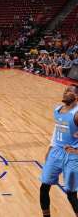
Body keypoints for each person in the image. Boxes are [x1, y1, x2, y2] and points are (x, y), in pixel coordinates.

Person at [40, 85, 78, 217]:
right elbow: (57, 128)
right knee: (44, 187)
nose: (65, 92)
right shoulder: (58, 109)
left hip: (72, 156)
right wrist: (50, 147)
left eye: (69, 91)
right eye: (65, 90)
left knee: (71, 194)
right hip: (55, 152)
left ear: (76, 96)